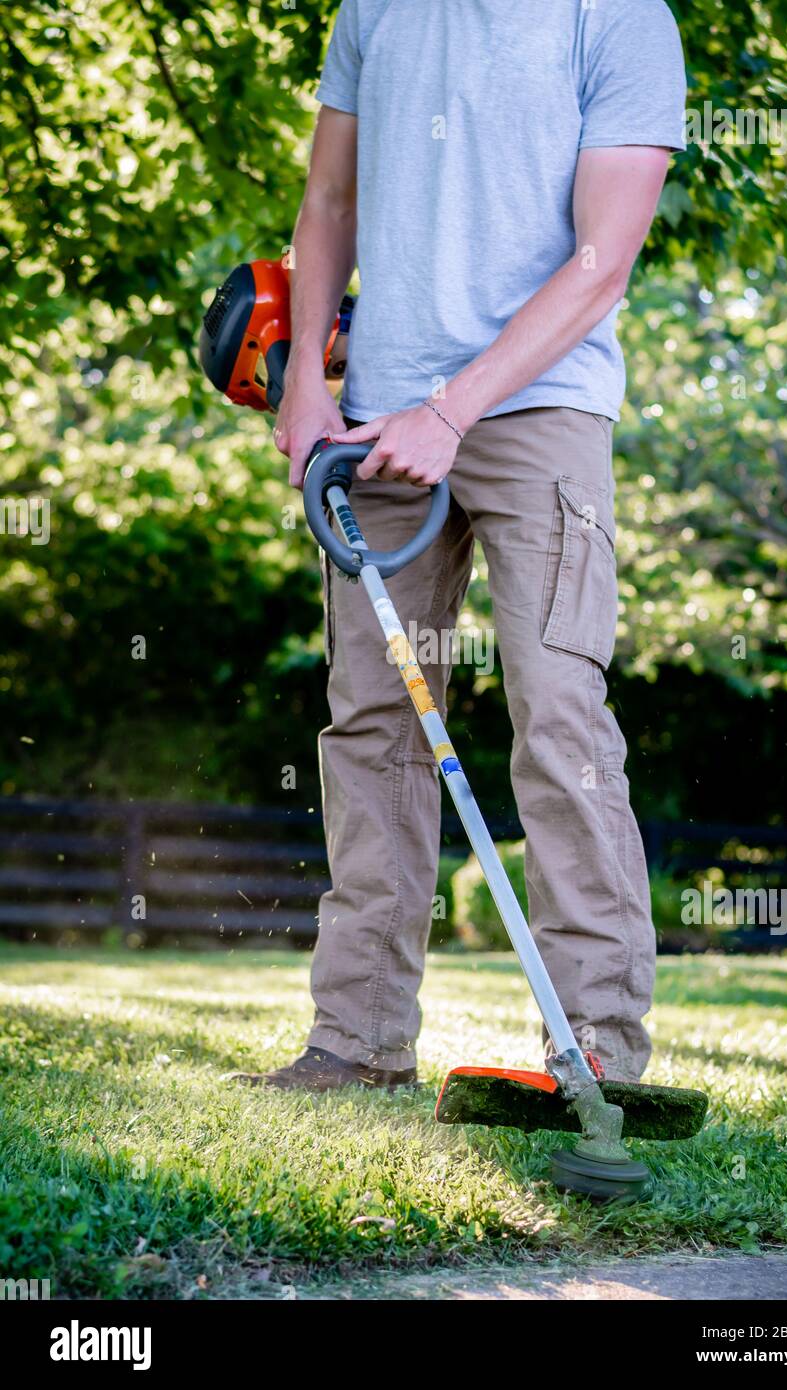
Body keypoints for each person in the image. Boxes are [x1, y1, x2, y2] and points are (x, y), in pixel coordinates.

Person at [234, 0, 687, 1093]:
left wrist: (453, 409)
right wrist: (305, 381)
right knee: (373, 725)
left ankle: (598, 1059)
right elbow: (327, 199)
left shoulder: (618, 17)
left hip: (543, 416)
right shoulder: (373, 9)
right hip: (376, 418)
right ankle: (357, 1044)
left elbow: (598, 263)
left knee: (558, 713)